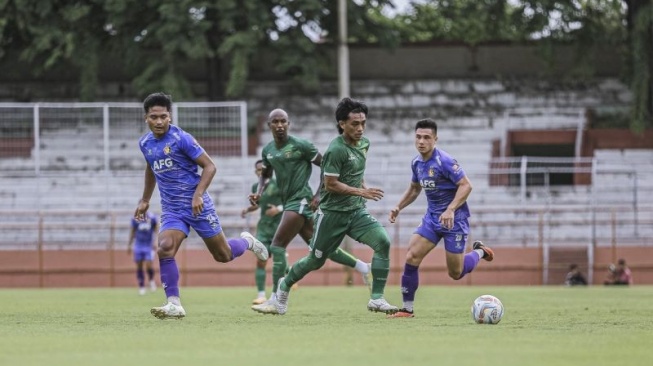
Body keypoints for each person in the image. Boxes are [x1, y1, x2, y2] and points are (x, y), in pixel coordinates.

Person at [134, 92, 268, 320]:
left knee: (223, 255)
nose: (159, 121)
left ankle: (246, 241)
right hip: (172, 209)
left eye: (163, 117)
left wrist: (198, 195)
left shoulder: (181, 138)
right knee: (164, 247)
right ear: (146, 118)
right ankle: (174, 303)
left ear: (170, 117)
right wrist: (145, 199)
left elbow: (209, 166)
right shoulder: (145, 143)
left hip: (198, 205)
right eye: (154, 117)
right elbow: (151, 168)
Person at [268, 97, 399, 316]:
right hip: (331, 215)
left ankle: (376, 298)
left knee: (383, 242)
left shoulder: (365, 144)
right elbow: (331, 184)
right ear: (342, 124)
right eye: (355, 124)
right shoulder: (335, 150)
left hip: (356, 211)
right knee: (315, 260)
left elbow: (356, 172)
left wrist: (362, 187)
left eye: (363, 123)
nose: (360, 128)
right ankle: (284, 285)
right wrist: (362, 191)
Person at [250, 107, 373, 314]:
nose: (280, 125)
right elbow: (266, 174)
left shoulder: (301, 145)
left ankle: (274, 298)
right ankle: (363, 267)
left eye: (283, 121)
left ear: (289, 124)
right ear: (269, 125)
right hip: (293, 202)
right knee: (322, 249)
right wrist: (259, 192)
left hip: (300, 200)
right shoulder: (268, 150)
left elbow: (327, 166)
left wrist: (318, 195)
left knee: (277, 245)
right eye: (275, 122)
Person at [386, 118, 494, 319]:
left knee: (455, 273)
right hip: (432, 218)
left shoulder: (444, 161)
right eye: (418, 137)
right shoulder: (416, 162)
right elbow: (415, 188)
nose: (421, 141)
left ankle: (479, 252)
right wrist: (398, 206)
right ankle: (407, 309)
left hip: (455, 220)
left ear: (435, 139)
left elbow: (466, 185)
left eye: (427, 137)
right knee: (412, 256)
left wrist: (451, 209)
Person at [241, 159, 284, 305]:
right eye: (258, 170)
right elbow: (258, 205)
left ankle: (281, 290)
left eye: (263, 170)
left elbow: (291, 201)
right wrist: (248, 209)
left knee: (278, 260)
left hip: (279, 227)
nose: (260, 172)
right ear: (255, 172)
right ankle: (261, 295)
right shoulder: (256, 186)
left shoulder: (279, 184)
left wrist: (278, 209)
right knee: (261, 260)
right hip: (264, 228)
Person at [127, 211, 159, 295]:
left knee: (149, 264)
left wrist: (156, 241)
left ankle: (151, 280)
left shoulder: (152, 218)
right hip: (138, 245)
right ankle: (141, 286)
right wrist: (129, 245)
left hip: (149, 245)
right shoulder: (135, 219)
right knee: (139, 265)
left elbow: (156, 229)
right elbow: (132, 231)